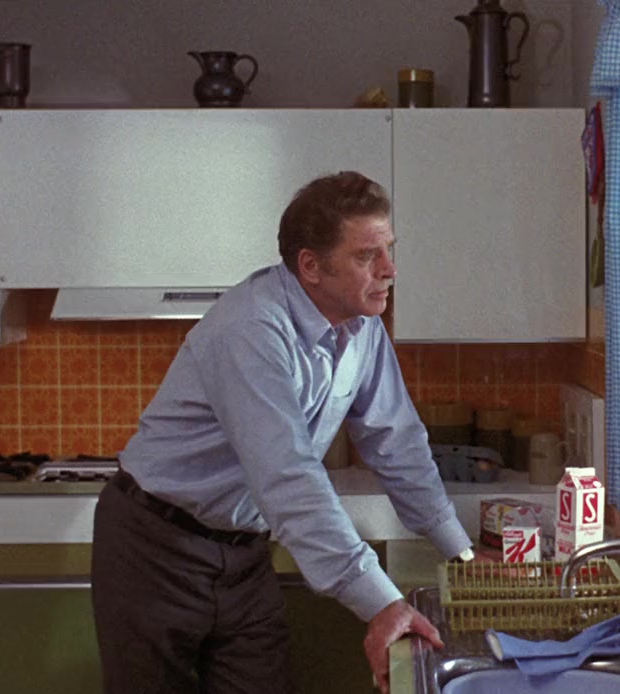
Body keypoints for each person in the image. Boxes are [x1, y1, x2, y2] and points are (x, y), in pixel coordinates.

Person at [91, 171, 473, 694]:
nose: (390, 269)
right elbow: (287, 476)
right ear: (310, 266)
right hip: (155, 549)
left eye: (389, 250)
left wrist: (462, 557)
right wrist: (382, 603)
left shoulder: (362, 327)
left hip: (245, 554)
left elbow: (396, 441)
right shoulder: (252, 328)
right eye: (367, 256)